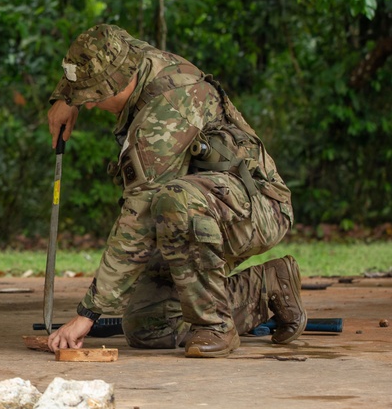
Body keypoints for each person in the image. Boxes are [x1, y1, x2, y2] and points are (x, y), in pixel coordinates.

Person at [45, 24, 305, 358]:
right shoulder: (132, 56)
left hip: (257, 207)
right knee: (147, 325)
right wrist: (68, 99)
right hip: (211, 205)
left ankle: (215, 326)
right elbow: (99, 48)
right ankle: (266, 285)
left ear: (117, 84)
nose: (91, 107)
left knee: (171, 200)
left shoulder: (165, 112)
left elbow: (138, 217)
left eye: (94, 97)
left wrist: (88, 314)